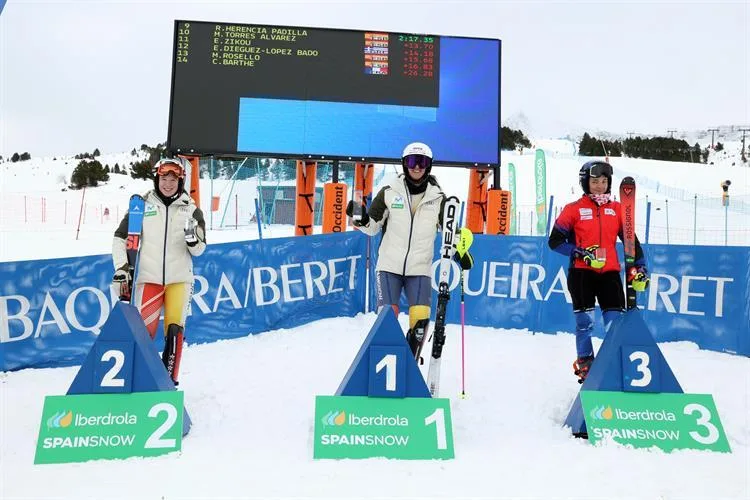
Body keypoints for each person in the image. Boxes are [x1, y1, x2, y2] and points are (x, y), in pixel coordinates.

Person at [345, 142, 473, 359]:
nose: (416, 167)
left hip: (419, 268)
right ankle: (386, 362)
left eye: (421, 162)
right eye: (412, 161)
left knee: (420, 319)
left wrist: (461, 251)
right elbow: (373, 227)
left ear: (429, 166)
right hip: (389, 266)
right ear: (404, 164)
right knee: (388, 316)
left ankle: (410, 364)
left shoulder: (438, 198)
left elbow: (451, 231)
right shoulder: (388, 192)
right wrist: (362, 218)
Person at [548, 160, 649, 383]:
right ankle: (586, 362)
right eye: (595, 181)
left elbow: (631, 242)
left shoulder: (617, 210)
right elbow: (554, 242)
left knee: (614, 322)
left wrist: (641, 267)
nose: (600, 186)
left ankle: (611, 362)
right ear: (585, 182)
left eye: (604, 181)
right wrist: (579, 253)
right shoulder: (573, 209)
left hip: (609, 274)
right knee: (585, 323)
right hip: (582, 274)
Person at [111, 158, 206, 385]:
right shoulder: (141, 205)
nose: (168, 183)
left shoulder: (191, 209)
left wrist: (193, 239)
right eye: (164, 178)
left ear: (180, 181)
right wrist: (122, 268)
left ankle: (167, 383)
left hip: (179, 281)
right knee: (144, 334)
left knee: (174, 331)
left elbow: (200, 249)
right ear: (157, 178)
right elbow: (120, 238)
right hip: (149, 279)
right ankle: (138, 380)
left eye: (173, 179)